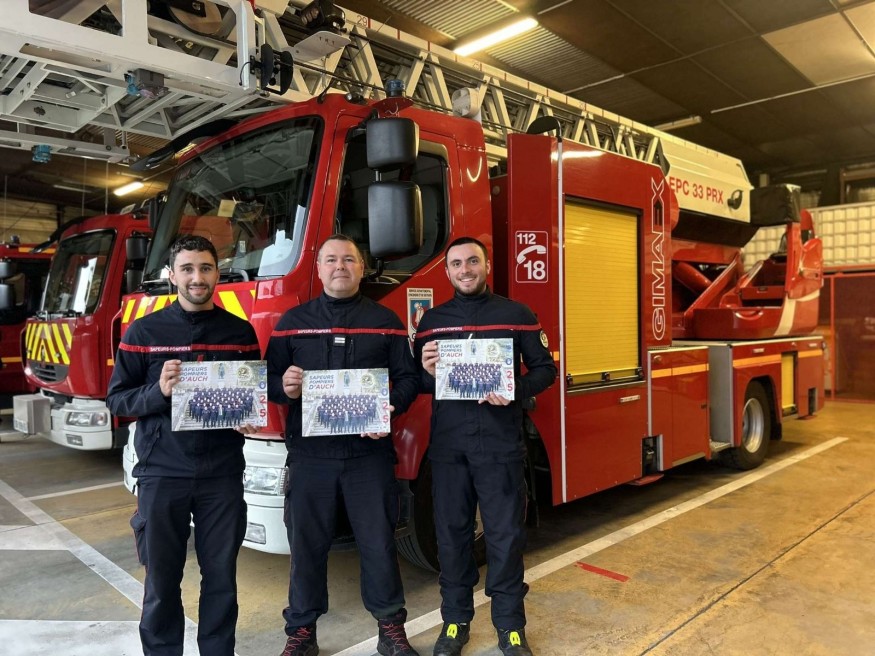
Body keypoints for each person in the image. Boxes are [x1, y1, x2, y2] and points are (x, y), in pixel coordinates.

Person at [266, 234, 421, 656]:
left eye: (349, 260)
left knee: (378, 543)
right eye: (331, 260)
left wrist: (390, 406)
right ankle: (301, 633)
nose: (340, 266)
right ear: (318, 269)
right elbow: (269, 379)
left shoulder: (385, 321)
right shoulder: (292, 322)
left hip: (368, 457)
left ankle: (391, 628)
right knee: (306, 547)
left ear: (361, 268)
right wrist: (284, 386)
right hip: (310, 457)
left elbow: (408, 379)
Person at [106, 235, 261, 656]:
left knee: (222, 579)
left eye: (205, 268)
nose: (197, 277)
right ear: (172, 275)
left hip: (222, 474)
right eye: (187, 269)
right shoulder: (144, 331)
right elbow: (117, 400)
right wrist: (157, 392)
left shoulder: (240, 333)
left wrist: (248, 413)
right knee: (161, 581)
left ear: (217, 274)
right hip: (162, 473)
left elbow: (250, 395)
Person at [414, 237, 557, 656]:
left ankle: (511, 627)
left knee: (505, 538)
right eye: (457, 263)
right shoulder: (432, 322)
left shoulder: (517, 315)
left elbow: (545, 370)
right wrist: (425, 370)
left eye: (472, 261)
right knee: (451, 539)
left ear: (487, 265)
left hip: (500, 448)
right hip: (449, 450)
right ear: (447, 272)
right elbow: (419, 381)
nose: (465, 270)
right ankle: (455, 622)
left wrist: (513, 390)